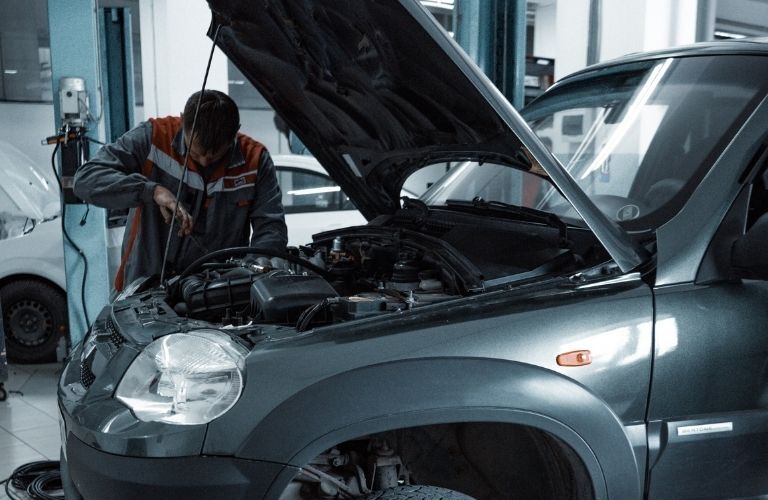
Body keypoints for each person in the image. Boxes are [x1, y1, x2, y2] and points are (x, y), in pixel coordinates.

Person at [73, 90, 288, 291]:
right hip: (143, 290)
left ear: (236, 131)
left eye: (215, 155)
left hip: (218, 293)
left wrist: (252, 272)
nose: (205, 161)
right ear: (183, 120)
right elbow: (86, 179)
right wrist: (152, 191)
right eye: (197, 152)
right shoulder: (154, 138)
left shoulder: (255, 160)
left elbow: (270, 228)